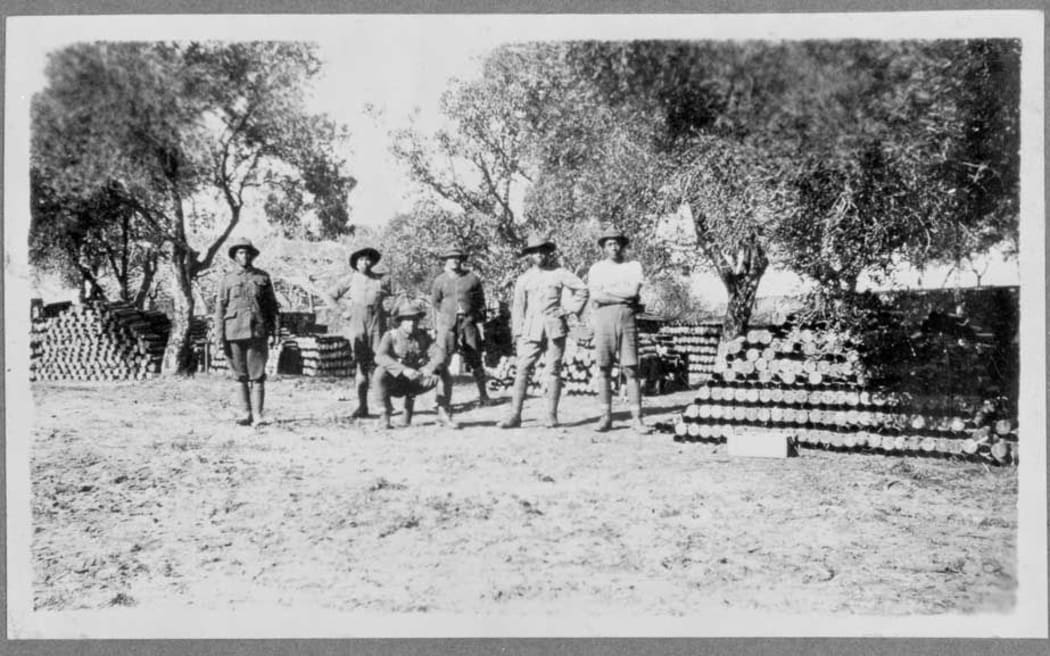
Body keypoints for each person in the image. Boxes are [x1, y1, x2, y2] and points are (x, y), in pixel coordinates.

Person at [498, 233, 589, 429]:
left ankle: (551, 415)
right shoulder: (524, 278)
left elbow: (582, 289)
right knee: (522, 369)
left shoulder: (559, 273)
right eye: (535, 251)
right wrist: (517, 332)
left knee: (553, 370)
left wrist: (568, 310)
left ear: (548, 253)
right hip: (530, 330)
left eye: (543, 251)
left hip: (554, 327)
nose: (539, 254)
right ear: (530, 255)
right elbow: (518, 307)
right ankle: (515, 415)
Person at [587, 227, 652, 434]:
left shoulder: (633, 266)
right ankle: (605, 416)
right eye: (609, 244)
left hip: (627, 317)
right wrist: (622, 297)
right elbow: (596, 296)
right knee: (604, 368)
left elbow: (633, 291)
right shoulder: (597, 268)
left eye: (617, 243)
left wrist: (612, 293)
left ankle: (637, 418)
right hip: (604, 317)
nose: (614, 247)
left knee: (631, 368)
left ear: (622, 245)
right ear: (603, 247)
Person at [213, 237, 280, 426]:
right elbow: (220, 308)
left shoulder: (263, 277)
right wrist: (219, 335)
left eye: (248, 252)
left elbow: (272, 307)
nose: (245, 256)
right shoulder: (227, 280)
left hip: (257, 331)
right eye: (241, 252)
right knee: (239, 375)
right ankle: (245, 413)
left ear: (252, 255)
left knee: (257, 375)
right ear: (235, 256)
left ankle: (258, 415)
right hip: (233, 331)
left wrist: (275, 332)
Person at [324, 244, 394, 418]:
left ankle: (385, 405)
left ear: (373, 262)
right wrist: (343, 312)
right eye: (361, 259)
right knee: (361, 367)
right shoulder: (350, 279)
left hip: (378, 324)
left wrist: (391, 310)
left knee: (382, 364)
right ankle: (362, 406)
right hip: (358, 324)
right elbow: (330, 295)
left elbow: (400, 295)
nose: (365, 263)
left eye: (368, 259)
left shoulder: (382, 279)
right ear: (356, 263)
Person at [372, 299, 459, 430]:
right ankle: (384, 415)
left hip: (419, 379)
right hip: (397, 382)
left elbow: (439, 354)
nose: (412, 323)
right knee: (380, 372)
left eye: (415, 319)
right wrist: (403, 370)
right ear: (400, 321)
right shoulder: (391, 336)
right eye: (407, 319)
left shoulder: (424, 336)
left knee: (443, 371)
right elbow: (380, 357)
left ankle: (443, 413)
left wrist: (430, 368)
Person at [430, 244, 493, 407]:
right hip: (447, 325)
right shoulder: (440, 280)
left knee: (475, 358)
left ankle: (484, 395)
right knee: (442, 360)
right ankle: (441, 400)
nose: (454, 261)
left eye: (457, 258)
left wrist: (474, 319)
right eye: (451, 258)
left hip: (468, 323)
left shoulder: (472, 278)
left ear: (461, 260)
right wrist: (445, 317)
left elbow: (481, 303)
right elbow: (436, 303)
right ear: (446, 260)